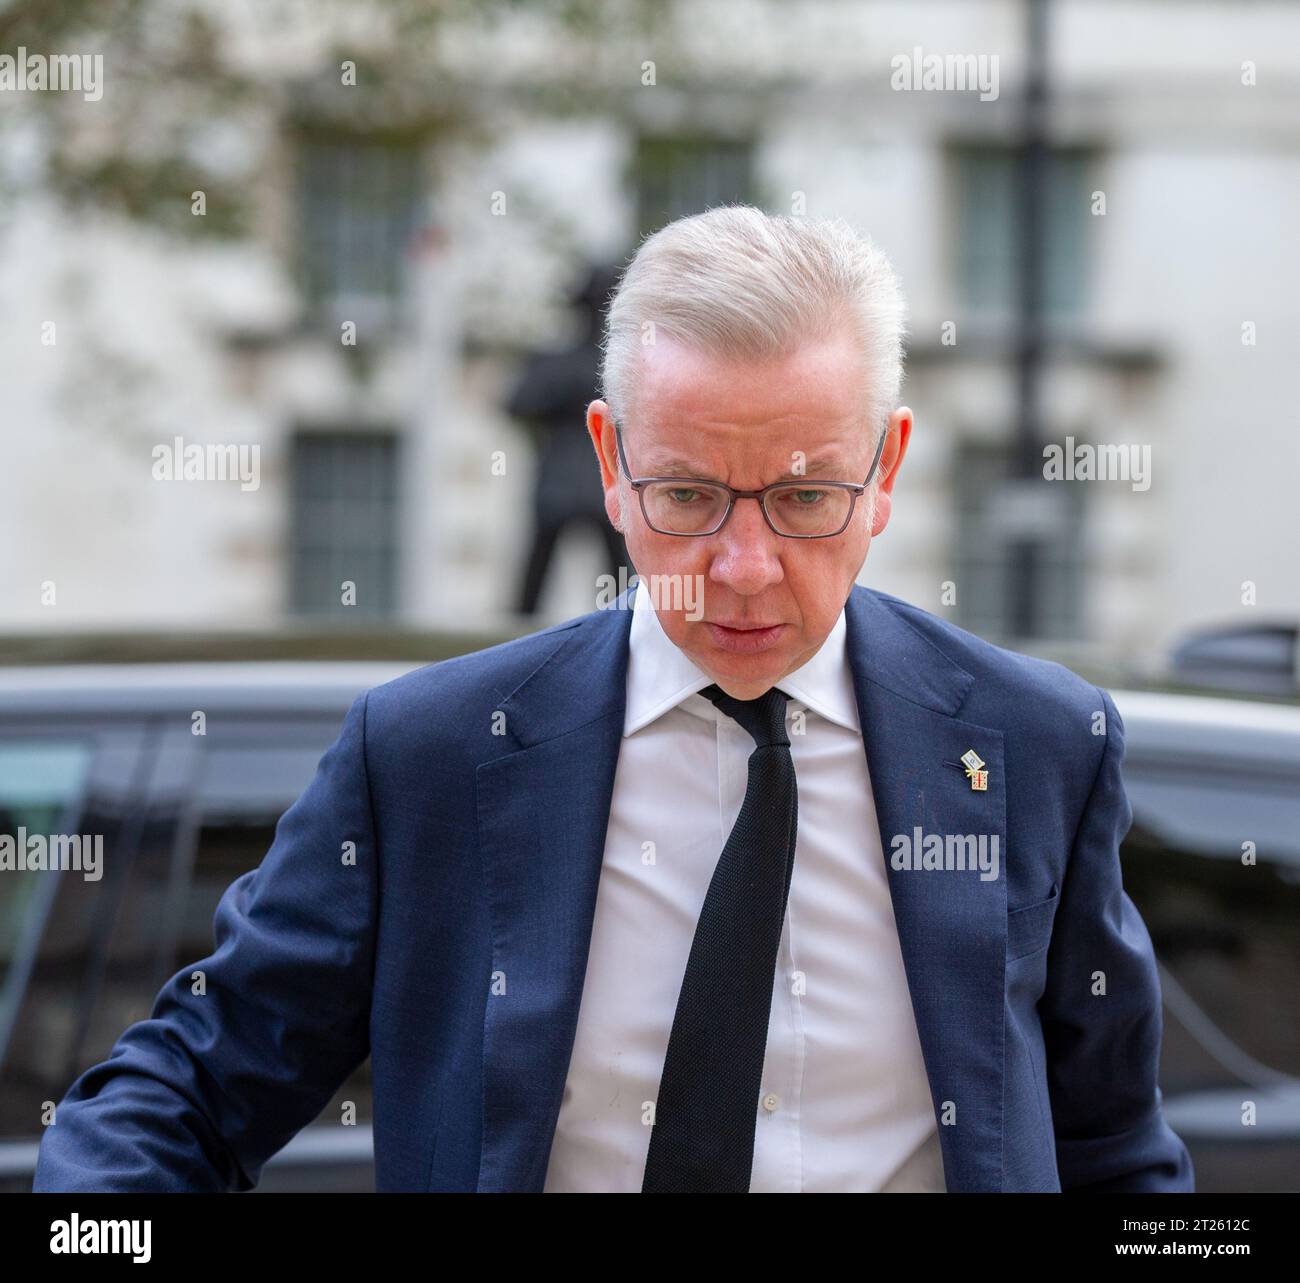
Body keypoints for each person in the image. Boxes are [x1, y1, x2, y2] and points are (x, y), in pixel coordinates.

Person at [33, 205, 1194, 1193]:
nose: (741, 566)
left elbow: (1115, 1145)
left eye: (803, 499)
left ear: (885, 469)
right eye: (687, 494)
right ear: (607, 460)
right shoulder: (429, 755)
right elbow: (191, 1083)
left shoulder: (1037, 745)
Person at [508, 262, 629, 615]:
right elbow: (516, 404)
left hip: (595, 480)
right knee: (537, 571)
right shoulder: (557, 362)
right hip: (568, 480)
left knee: (617, 569)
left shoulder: (617, 365)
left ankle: (624, 624)